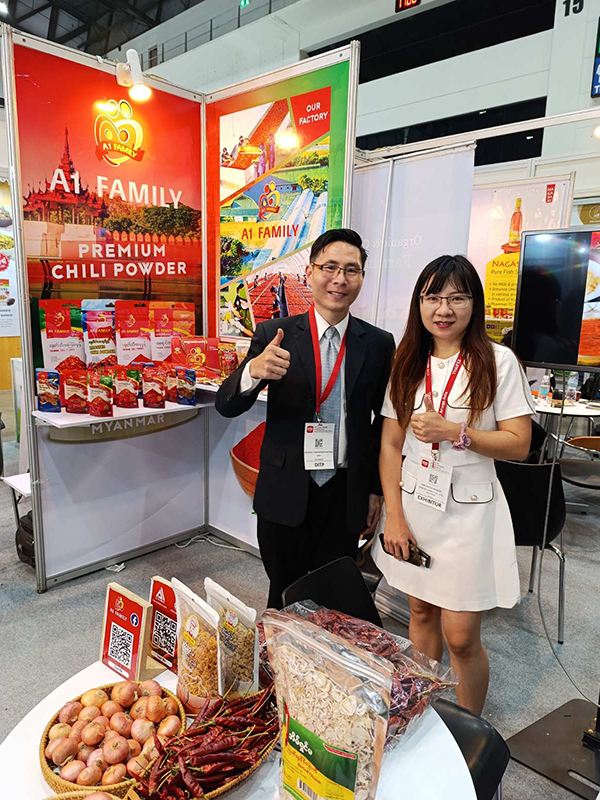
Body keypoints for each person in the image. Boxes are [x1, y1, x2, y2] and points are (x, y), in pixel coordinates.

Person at [371, 254, 533, 715]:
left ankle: (468, 730)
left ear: (473, 304)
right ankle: (423, 713)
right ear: (419, 304)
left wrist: (458, 433)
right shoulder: (407, 361)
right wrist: (394, 516)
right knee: (420, 613)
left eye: (457, 298)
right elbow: (390, 445)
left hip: (469, 514)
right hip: (415, 507)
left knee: (461, 637)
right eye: (433, 297)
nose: (444, 309)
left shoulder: (498, 361)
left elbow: (520, 444)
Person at [216, 228, 395, 608]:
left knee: (333, 597)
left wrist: (375, 489)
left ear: (361, 278)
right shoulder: (275, 333)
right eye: (330, 267)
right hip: (285, 488)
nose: (339, 279)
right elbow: (226, 405)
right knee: (283, 593)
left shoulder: (378, 343)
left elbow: (382, 424)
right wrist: (253, 372)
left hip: (344, 492)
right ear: (310, 272)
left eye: (351, 270)